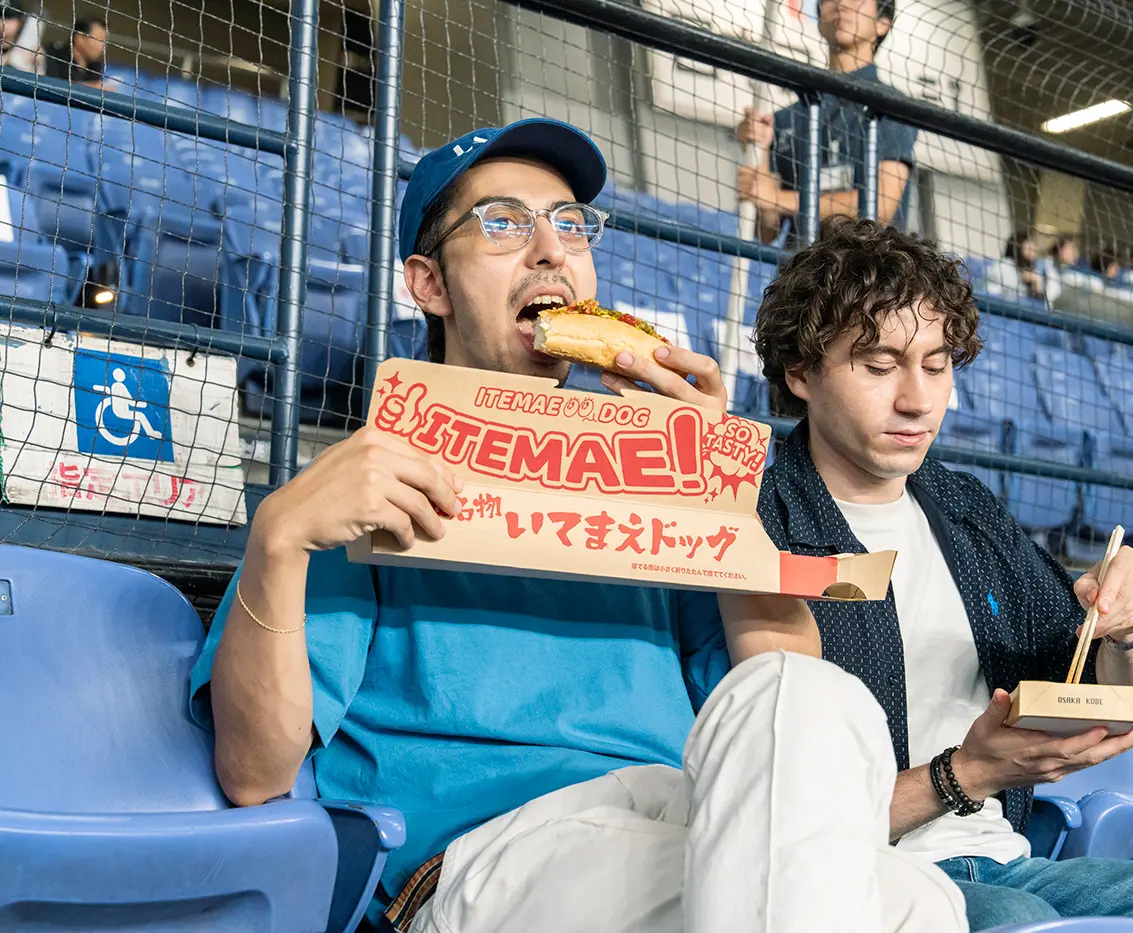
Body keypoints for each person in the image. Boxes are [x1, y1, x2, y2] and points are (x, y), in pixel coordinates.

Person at [190, 119, 968, 933]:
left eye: (569, 224)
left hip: (677, 810)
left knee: (910, 879)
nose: (549, 250)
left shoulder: (655, 473)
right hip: (479, 853)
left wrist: (717, 492)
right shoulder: (371, 477)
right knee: (891, 906)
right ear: (429, 284)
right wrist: (277, 536)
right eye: (501, 224)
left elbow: (778, 687)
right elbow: (253, 773)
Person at [752, 218, 1133, 932]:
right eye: (880, 366)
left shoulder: (965, 509)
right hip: (865, 872)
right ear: (800, 372)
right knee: (1022, 916)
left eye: (938, 363)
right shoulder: (763, 522)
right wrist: (965, 773)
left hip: (1009, 860)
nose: (918, 399)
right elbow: (781, 822)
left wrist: (1130, 630)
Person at [735, 0, 916, 242]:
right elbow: (767, 232)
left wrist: (778, 200)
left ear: (883, 24)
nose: (842, 4)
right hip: (802, 273)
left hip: (870, 271)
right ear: (819, 18)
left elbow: (881, 206)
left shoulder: (892, 106)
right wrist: (761, 155)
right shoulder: (786, 118)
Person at [44, 17, 108, 88]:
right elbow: (51, 85)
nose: (102, 46)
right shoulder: (54, 55)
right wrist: (91, 88)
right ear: (79, 38)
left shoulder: (95, 67)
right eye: (99, 40)